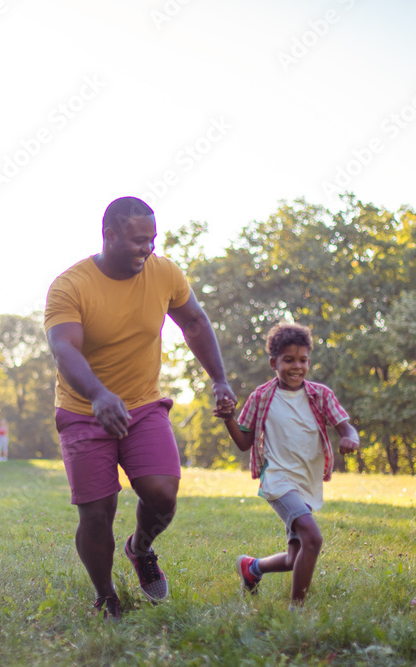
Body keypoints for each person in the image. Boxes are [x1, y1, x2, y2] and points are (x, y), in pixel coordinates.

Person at [44, 196, 236, 621]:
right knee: (96, 514)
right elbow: (64, 349)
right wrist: (97, 394)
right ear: (109, 235)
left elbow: (195, 323)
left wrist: (219, 378)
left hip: (143, 405)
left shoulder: (164, 272)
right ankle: (106, 595)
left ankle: (141, 549)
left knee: (162, 493)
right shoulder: (70, 285)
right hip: (82, 409)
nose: (146, 248)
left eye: (151, 239)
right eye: (136, 240)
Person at [217, 323, 360, 609]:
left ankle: (251, 568)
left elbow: (347, 428)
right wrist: (228, 418)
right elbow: (244, 442)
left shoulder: (321, 395)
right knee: (313, 538)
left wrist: (350, 438)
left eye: (303, 360)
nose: (297, 366)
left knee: (296, 557)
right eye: (289, 360)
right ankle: (297, 611)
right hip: (279, 480)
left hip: (306, 482)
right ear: (274, 362)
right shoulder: (261, 397)